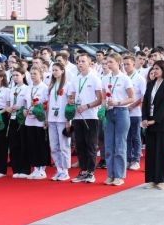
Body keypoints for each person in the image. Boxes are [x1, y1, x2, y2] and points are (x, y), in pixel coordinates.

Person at [69, 54, 103, 184]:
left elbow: (100, 99)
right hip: (78, 116)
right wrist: (71, 101)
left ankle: (91, 172)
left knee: (91, 145)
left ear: (90, 63)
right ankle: (83, 171)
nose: (80, 64)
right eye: (78, 62)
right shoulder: (75, 79)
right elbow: (71, 96)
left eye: (83, 61)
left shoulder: (95, 79)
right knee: (80, 144)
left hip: (91, 116)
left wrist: (87, 106)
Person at [102, 53, 134, 186]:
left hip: (121, 112)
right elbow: (104, 96)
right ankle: (110, 174)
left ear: (118, 63)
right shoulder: (105, 78)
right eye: (107, 62)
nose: (108, 65)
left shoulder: (125, 78)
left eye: (111, 62)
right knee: (109, 145)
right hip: (109, 112)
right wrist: (104, 105)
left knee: (120, 144)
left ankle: (119, 175)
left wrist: (118, 103)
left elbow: (132, 97)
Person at [141, 60, 164, 190]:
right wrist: (144, 118)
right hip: (149, 122)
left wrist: (155, 120)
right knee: (151, 152)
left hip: (162, 122)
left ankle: (163, 180)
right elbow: (146, 102)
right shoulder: (150, 84)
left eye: (157, 68)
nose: (154, 71)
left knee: (162, 152)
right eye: (153, 68)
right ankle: (152, 179)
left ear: (163, 70)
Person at [47, 62, 72, 181]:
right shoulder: (51, 85)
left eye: (56, 70)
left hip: (62, 119)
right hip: (52, 118)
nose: (54, 72)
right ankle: (59, 169)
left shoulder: (68, 85)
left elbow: (70, 104)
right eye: (53, 70)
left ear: (62, 70)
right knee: (54, 146)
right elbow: (49, 103)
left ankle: (65, 170)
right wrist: (46, 119)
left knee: (64, 146)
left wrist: (68, 119)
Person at [24, 66, 50, 180]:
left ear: (41, 74)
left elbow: (46, 105)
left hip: (40, 120)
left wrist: (45, 119)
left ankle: (42, 169)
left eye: (35, 73)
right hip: (29, 120)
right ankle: (35, 168)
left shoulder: (44, 88)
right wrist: (24, 110)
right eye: (31, 73)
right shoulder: (28, 88)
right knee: (32, 144)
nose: (33, 75)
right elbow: (25, 103)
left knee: (41, 144)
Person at [123, 55, 147, 171]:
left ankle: (136, 159)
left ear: (133, 64)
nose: (126, 66)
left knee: (136, 136)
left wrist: (132, 105)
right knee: (126, 137)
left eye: (128, 64)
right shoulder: (122, 77)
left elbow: (143, 97)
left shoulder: (139, 78)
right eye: (124, 64)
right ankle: (128, 158)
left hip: (135, 112)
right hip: (123, 112)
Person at [6, 67, 30, 178]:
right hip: (12, 118)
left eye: (17, 75)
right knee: (14, 144)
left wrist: (20, 107)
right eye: (13, 75)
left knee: (23, 143)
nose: (15, 77)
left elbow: (27, 104)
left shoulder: (27, 89)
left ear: (23, 76)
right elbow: (8, 104)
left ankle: (24, 169)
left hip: (22, 119)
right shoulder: (11, 89)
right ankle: (16, 169)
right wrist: (9, 108)